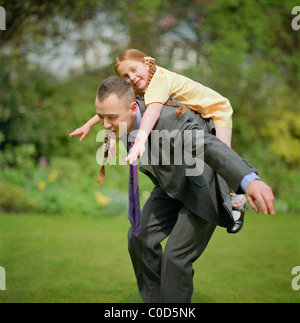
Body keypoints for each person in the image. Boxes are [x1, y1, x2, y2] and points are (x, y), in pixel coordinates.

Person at [70, 76, 275, 303]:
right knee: (139, 237)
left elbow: (210, 145)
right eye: (101, 117)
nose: (106, 125)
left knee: (176, 256)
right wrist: (95, 123)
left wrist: (248, 180)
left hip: (202, 186)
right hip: (171, 186)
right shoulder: (122, 122)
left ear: (131, 109)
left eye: (111, 117)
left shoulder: (171, 121)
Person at [70, 49, 246, 233]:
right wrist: (90, 124)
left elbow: (152, 113)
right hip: (198, 117)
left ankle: (237, 202)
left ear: (147, 63)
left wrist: (140, 139)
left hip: (217, 110)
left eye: (134, 69)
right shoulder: (142, 88)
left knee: (222, 159)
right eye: (125, 76)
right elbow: (114, 110)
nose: (132, 77)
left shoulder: (158, 81)